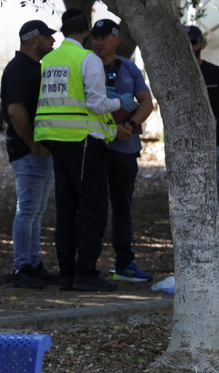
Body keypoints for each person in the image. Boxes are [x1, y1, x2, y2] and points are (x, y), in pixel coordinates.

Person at [35, 9, 136, 292]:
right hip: (82, 140)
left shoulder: (49, 59)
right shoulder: (87, 58)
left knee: (66, 209)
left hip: (55, 139)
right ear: (86, 33)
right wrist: (120, 103)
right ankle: (86, 273)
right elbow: (95, 104)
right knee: (93, 207)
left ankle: (67, 274)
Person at [90, 19, 154, 282]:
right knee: (92, 206)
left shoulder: (129, 68)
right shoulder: (86, 65)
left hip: (125, 149)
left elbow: (147, 102)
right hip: (94, 147)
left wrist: (130, 124)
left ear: (116, 39)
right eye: (95, 36)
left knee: (122, 208)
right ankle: (86, 266)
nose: (99, 42)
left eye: (104, 37)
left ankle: (124, 264)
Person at [1, 20, 58, 289]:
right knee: (27, 210)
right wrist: (32, 143)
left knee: (36, 210)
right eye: (48, 37)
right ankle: (22, 266)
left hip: (39, 151)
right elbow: (15, 110)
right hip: (28, 151)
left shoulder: (33, 68)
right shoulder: (19, 69)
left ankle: (32, 264)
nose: (52, 42)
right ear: (34, 39)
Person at [186, 25, 219, 243]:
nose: (191, 46)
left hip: (218, 145)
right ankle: (199, 243)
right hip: (190, 149)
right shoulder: (179, 76)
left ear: (202, 44)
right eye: (187, 41)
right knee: (193, 201)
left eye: (194, 41)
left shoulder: (217, 73)